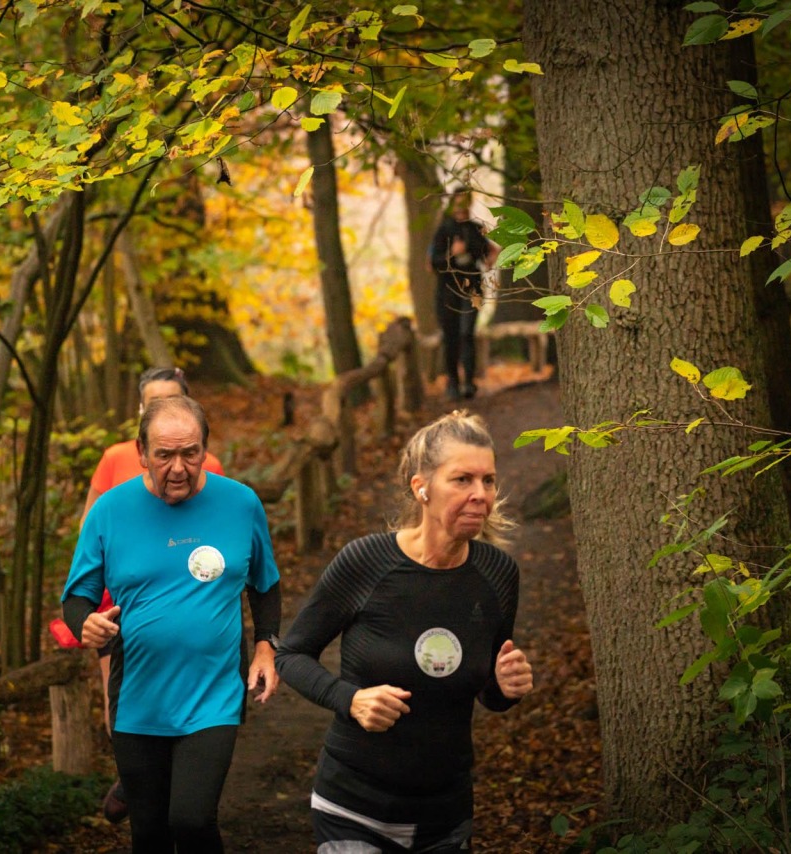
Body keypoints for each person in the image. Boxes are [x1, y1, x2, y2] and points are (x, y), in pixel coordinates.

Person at [275, 410, 533, 853]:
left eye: (488, 481)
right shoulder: (366, 562)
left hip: (445, 816)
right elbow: (291, 654)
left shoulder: (497, 574)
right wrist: (350, 699)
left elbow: (487, 691)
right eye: (462, 480)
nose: (480, 494)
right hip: (353, 807)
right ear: (421, 488)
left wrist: (506, 687)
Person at [61, 395, 282, 854]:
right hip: (137, 695)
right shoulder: (109, 511)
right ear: (141, 452)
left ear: (205, 449)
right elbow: (77, 597)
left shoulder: (241, 504)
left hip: (213, 693)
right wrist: (87, 624)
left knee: (192, 819)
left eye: (190, 453)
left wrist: (266, 645)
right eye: (164, 455)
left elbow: (265, 585)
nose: (178, 468)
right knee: (149, 832)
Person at [55, 366, 228, 823]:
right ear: (139, 411)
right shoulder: (115, 458)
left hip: (184, 594)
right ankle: (134, 776)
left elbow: (218, 530)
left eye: (171, 400)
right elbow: (89, 523)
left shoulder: (207, 464)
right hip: (120, 598)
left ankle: (180, 774)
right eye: (153, 403)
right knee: (120, 695)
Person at [430, 194, 500, 401]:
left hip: (472, 290)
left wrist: (492, 256)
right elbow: (433, 263)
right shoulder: (443, 230)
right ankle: (453, 382)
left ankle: (469, 382)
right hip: (447, 291)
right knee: (450, 336)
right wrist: (452, 254)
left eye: (465, 203)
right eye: (457, 203)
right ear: (451, 205)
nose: (461, 207)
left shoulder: (475, 229)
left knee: (466, 333)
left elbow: (487, 254)